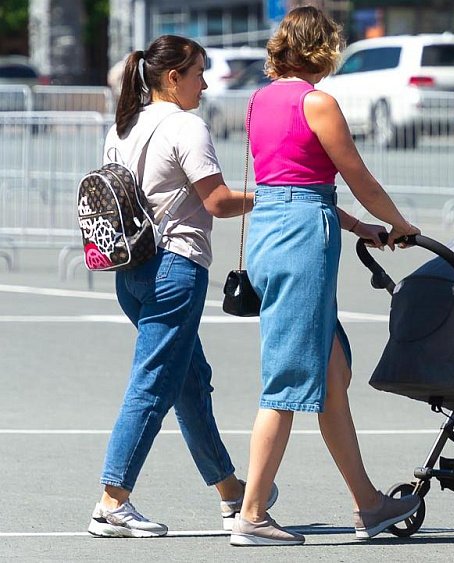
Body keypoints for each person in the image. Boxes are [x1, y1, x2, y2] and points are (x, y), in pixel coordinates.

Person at [231, 7, 422, 546]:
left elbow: (290, 183)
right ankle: (252, 514)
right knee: (288, 379)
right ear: (323, 49)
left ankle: (369, 504)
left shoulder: (259, 101)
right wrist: (399, 224)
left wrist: (359, 225)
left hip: (270, 229)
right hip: (301, 239)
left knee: (331, 375)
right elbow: (356, 175)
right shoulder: (318, 102)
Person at [89, 35, 268, 538]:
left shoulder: (123, 125)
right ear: (173, 78)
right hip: (175, 267)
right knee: (153, 385)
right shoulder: (186, 126)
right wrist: (273, 196)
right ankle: (112, 502)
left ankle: (231, 492)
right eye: (198, 73)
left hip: (131, 270)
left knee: (189, 381)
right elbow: (217, 201)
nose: (204, 84)